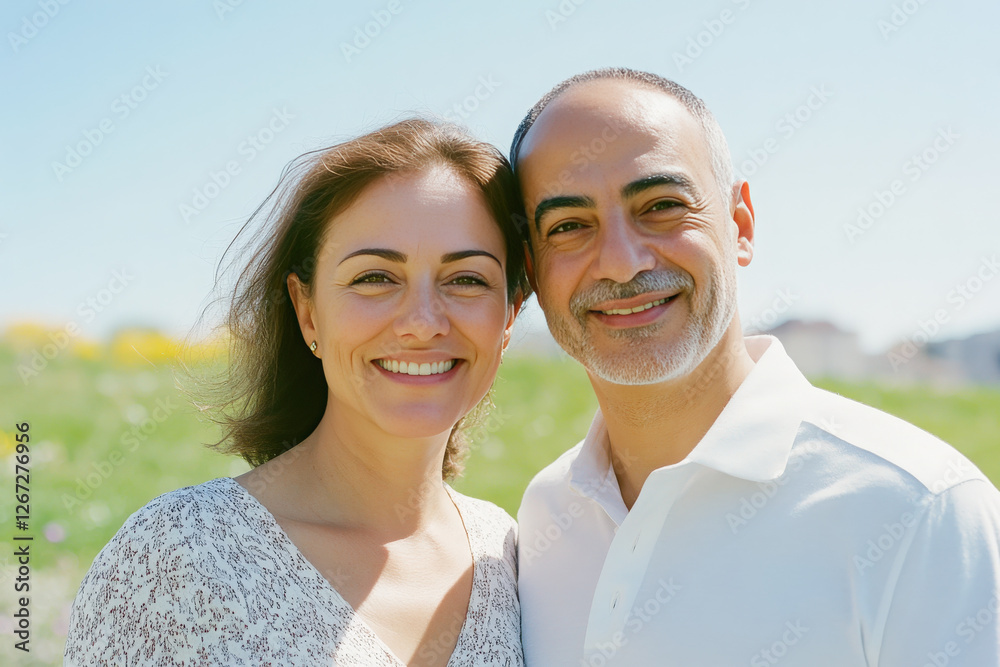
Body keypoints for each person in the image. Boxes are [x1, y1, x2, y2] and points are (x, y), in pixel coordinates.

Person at [510, 67, 1000, 666]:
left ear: (740, 225)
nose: (619, 262)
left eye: (661, 206)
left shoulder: (921, 509)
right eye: (569, 226)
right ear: (532, 271)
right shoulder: (545, 515)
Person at [64, 118, 528, 666]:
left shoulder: (515, 558)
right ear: (307, 311)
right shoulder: (177, 554)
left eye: (468, 279)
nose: (423, 322)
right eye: (375, 277)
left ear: (509, 317)